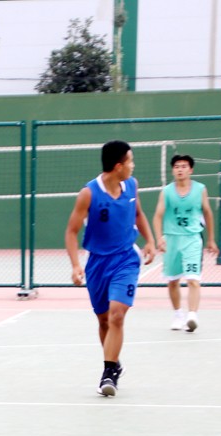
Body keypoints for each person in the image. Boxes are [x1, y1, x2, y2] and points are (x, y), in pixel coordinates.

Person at [65, 140, 156, 397]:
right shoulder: (89, 194)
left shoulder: (132, 185)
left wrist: (149, 240)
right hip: (97, 263)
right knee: (104, 319)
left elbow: (138, 214)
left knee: (117, 315)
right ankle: (114, 362)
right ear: (118, 166)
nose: (133, 166)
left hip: (126, 259)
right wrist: (75, 265)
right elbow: (71, 231)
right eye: (130, 161)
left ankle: (108, 373)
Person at [152, 154, 219, 332]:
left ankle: (192, 315)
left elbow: (207, 213)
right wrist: (159, 238)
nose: (180, 169)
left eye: (184, 166)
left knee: (193, 279)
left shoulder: (200, 189)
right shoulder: (167, 191)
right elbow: (158, 216)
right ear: (173, 171)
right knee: (173, 281)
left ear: (191, 170)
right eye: (177, 167)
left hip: (192, 239)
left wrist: (211, 239)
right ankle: (178, 315)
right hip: (172, 239)